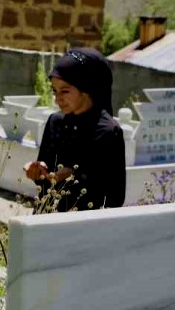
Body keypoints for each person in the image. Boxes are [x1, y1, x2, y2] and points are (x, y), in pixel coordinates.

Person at [24, 48, 126, 212]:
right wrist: (37, 172)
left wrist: (75, 176)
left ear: (87, 89)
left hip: (83, 227)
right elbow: (45, 177)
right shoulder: (55, 122)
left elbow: (115, 196)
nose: (58, 99)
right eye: (54, 91)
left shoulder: (107, 132)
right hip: (45, 218)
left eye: (65, 91)